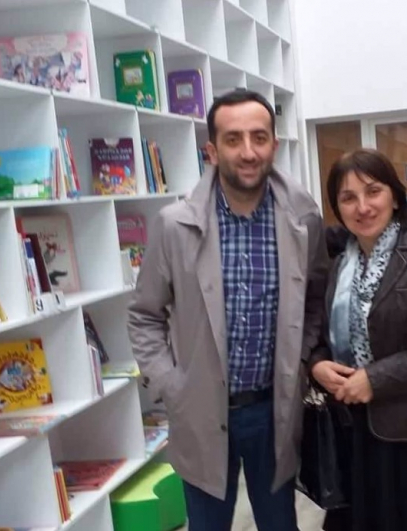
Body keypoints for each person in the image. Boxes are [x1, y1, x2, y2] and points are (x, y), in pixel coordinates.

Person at [127, 89, 329, 531]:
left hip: (274, 409)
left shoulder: (303, 218)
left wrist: (300, 358)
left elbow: (316, 296)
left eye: (259, 137)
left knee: (280, 525)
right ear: (212, 151)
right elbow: (144, 314)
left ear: (274, 144)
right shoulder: (174, 225)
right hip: (200, 409)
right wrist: (170, 383)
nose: (249, 152)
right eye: (234, 139)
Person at [308, 148, 407, 531]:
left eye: (373, 191)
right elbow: (322, 337)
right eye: (348, 198)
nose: (362, 207)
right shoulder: (337, 266)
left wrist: (376, 379)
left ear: (395, 197)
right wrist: (317, 364)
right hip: (351, 435)